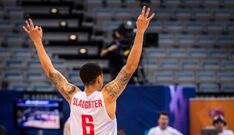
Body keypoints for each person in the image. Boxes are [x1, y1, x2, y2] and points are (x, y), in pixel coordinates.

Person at [23, 6, 155, 135]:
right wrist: (140, 32)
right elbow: (130, 68)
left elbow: (51, 72)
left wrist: (37, 42)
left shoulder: (73, 96)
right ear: (99, 78)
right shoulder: (107, 96)